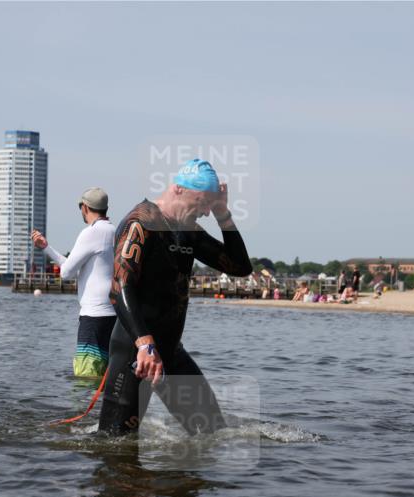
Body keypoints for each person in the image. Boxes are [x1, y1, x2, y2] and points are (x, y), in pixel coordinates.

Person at [98, 159, 251, 435]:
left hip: (170, 351)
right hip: (136, 353)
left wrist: (222, 214)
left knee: (213, 433)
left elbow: (240, 267)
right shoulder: (143, 222)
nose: (204, 213)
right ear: (179, 189)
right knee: (115, 447)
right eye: (201, 203)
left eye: (208, 206)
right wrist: (145, 344)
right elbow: (120, 286)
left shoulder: (188, 230)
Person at [32, 187, 116, 378]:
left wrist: (47, 250)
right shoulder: (114, 231)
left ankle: (84, 409)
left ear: (85, 207)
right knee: (106, 377)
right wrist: (47, 248)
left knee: (87, 376)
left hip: (93, 316)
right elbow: (74, 268)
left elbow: (67, 273)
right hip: (114, 316)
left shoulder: (90, 233)